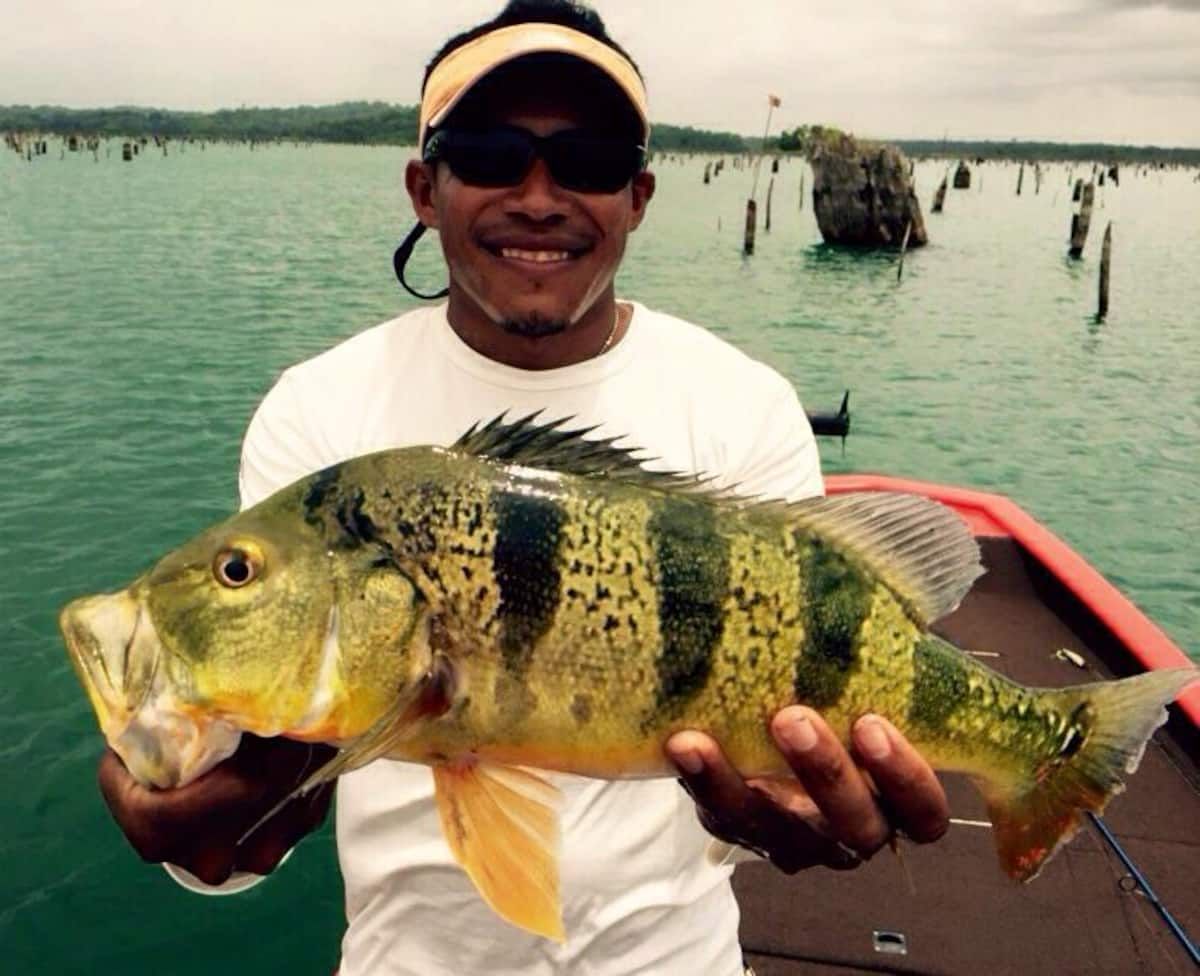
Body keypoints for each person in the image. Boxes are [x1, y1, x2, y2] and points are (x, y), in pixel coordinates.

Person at [98, 2, 950, 973]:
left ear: (638, 195)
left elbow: (785, 751)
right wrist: (205, 814)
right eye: (492, 152)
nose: (539, 195)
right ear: (426, 185)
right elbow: (274, 759)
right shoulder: (320, 411)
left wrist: (794, 823)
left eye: (586, 161)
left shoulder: (746, 405)